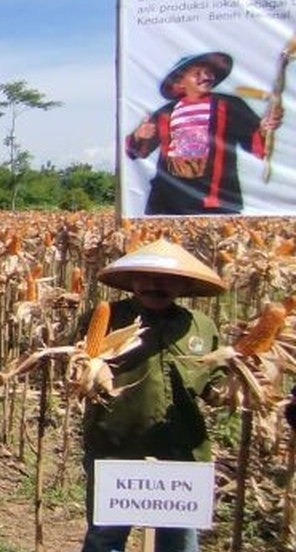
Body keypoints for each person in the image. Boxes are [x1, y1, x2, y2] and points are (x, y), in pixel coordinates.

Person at [77, 239, 226, 552]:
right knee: (105, 538)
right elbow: (77, 368)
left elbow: (214, 385)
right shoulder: (105, 318)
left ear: (184, 284)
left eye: (167, 279)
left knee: (180, 542)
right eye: (144, 277)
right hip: (115, 447)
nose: (154, 285)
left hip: (182, 452)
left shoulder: (201, 326)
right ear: (131, 281)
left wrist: (240, 389)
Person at [126, 51, 282, 215]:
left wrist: (264, 129)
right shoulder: (165, 114)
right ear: (180, 83)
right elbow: (136, 152)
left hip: (215, 197)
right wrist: (139, 136)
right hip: (169, 198)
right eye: (197, 73)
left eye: (209, 72)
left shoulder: (230, 105)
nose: (206, 77)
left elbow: (254, 141)